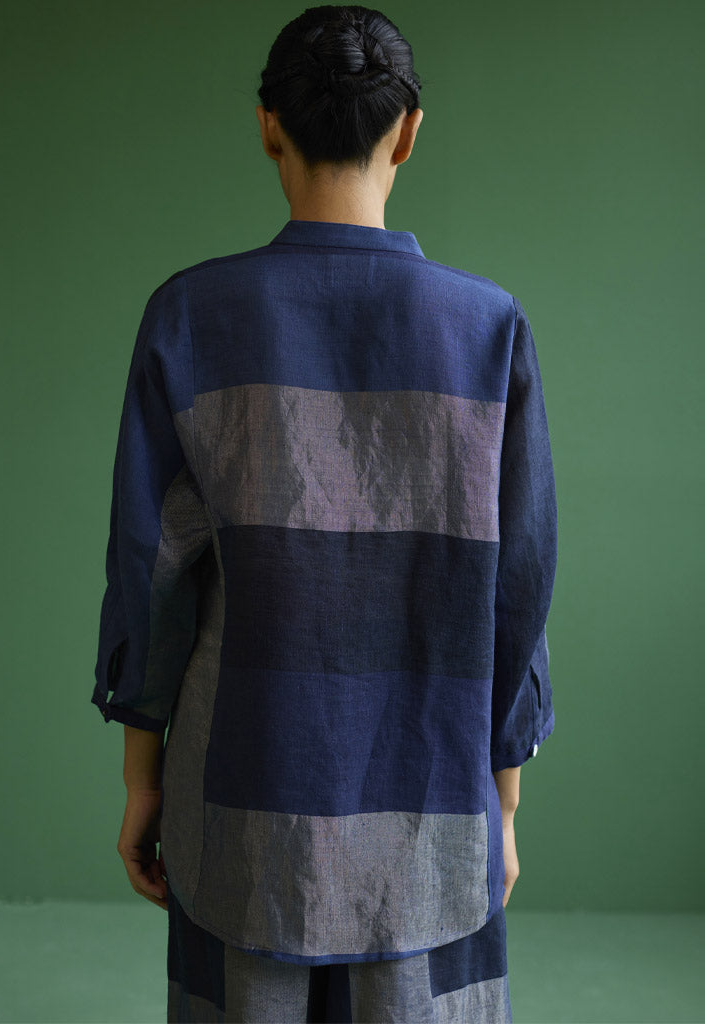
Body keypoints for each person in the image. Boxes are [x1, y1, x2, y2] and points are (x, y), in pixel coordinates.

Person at [92, 4, 558, 1022]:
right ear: (409, 131)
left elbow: (151, 571)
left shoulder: (190, 317)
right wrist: (503, 802)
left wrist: (142, 782)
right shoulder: (489, 329)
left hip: (242, 803)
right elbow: (517, 590)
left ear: (269, 127)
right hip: (434, 807)